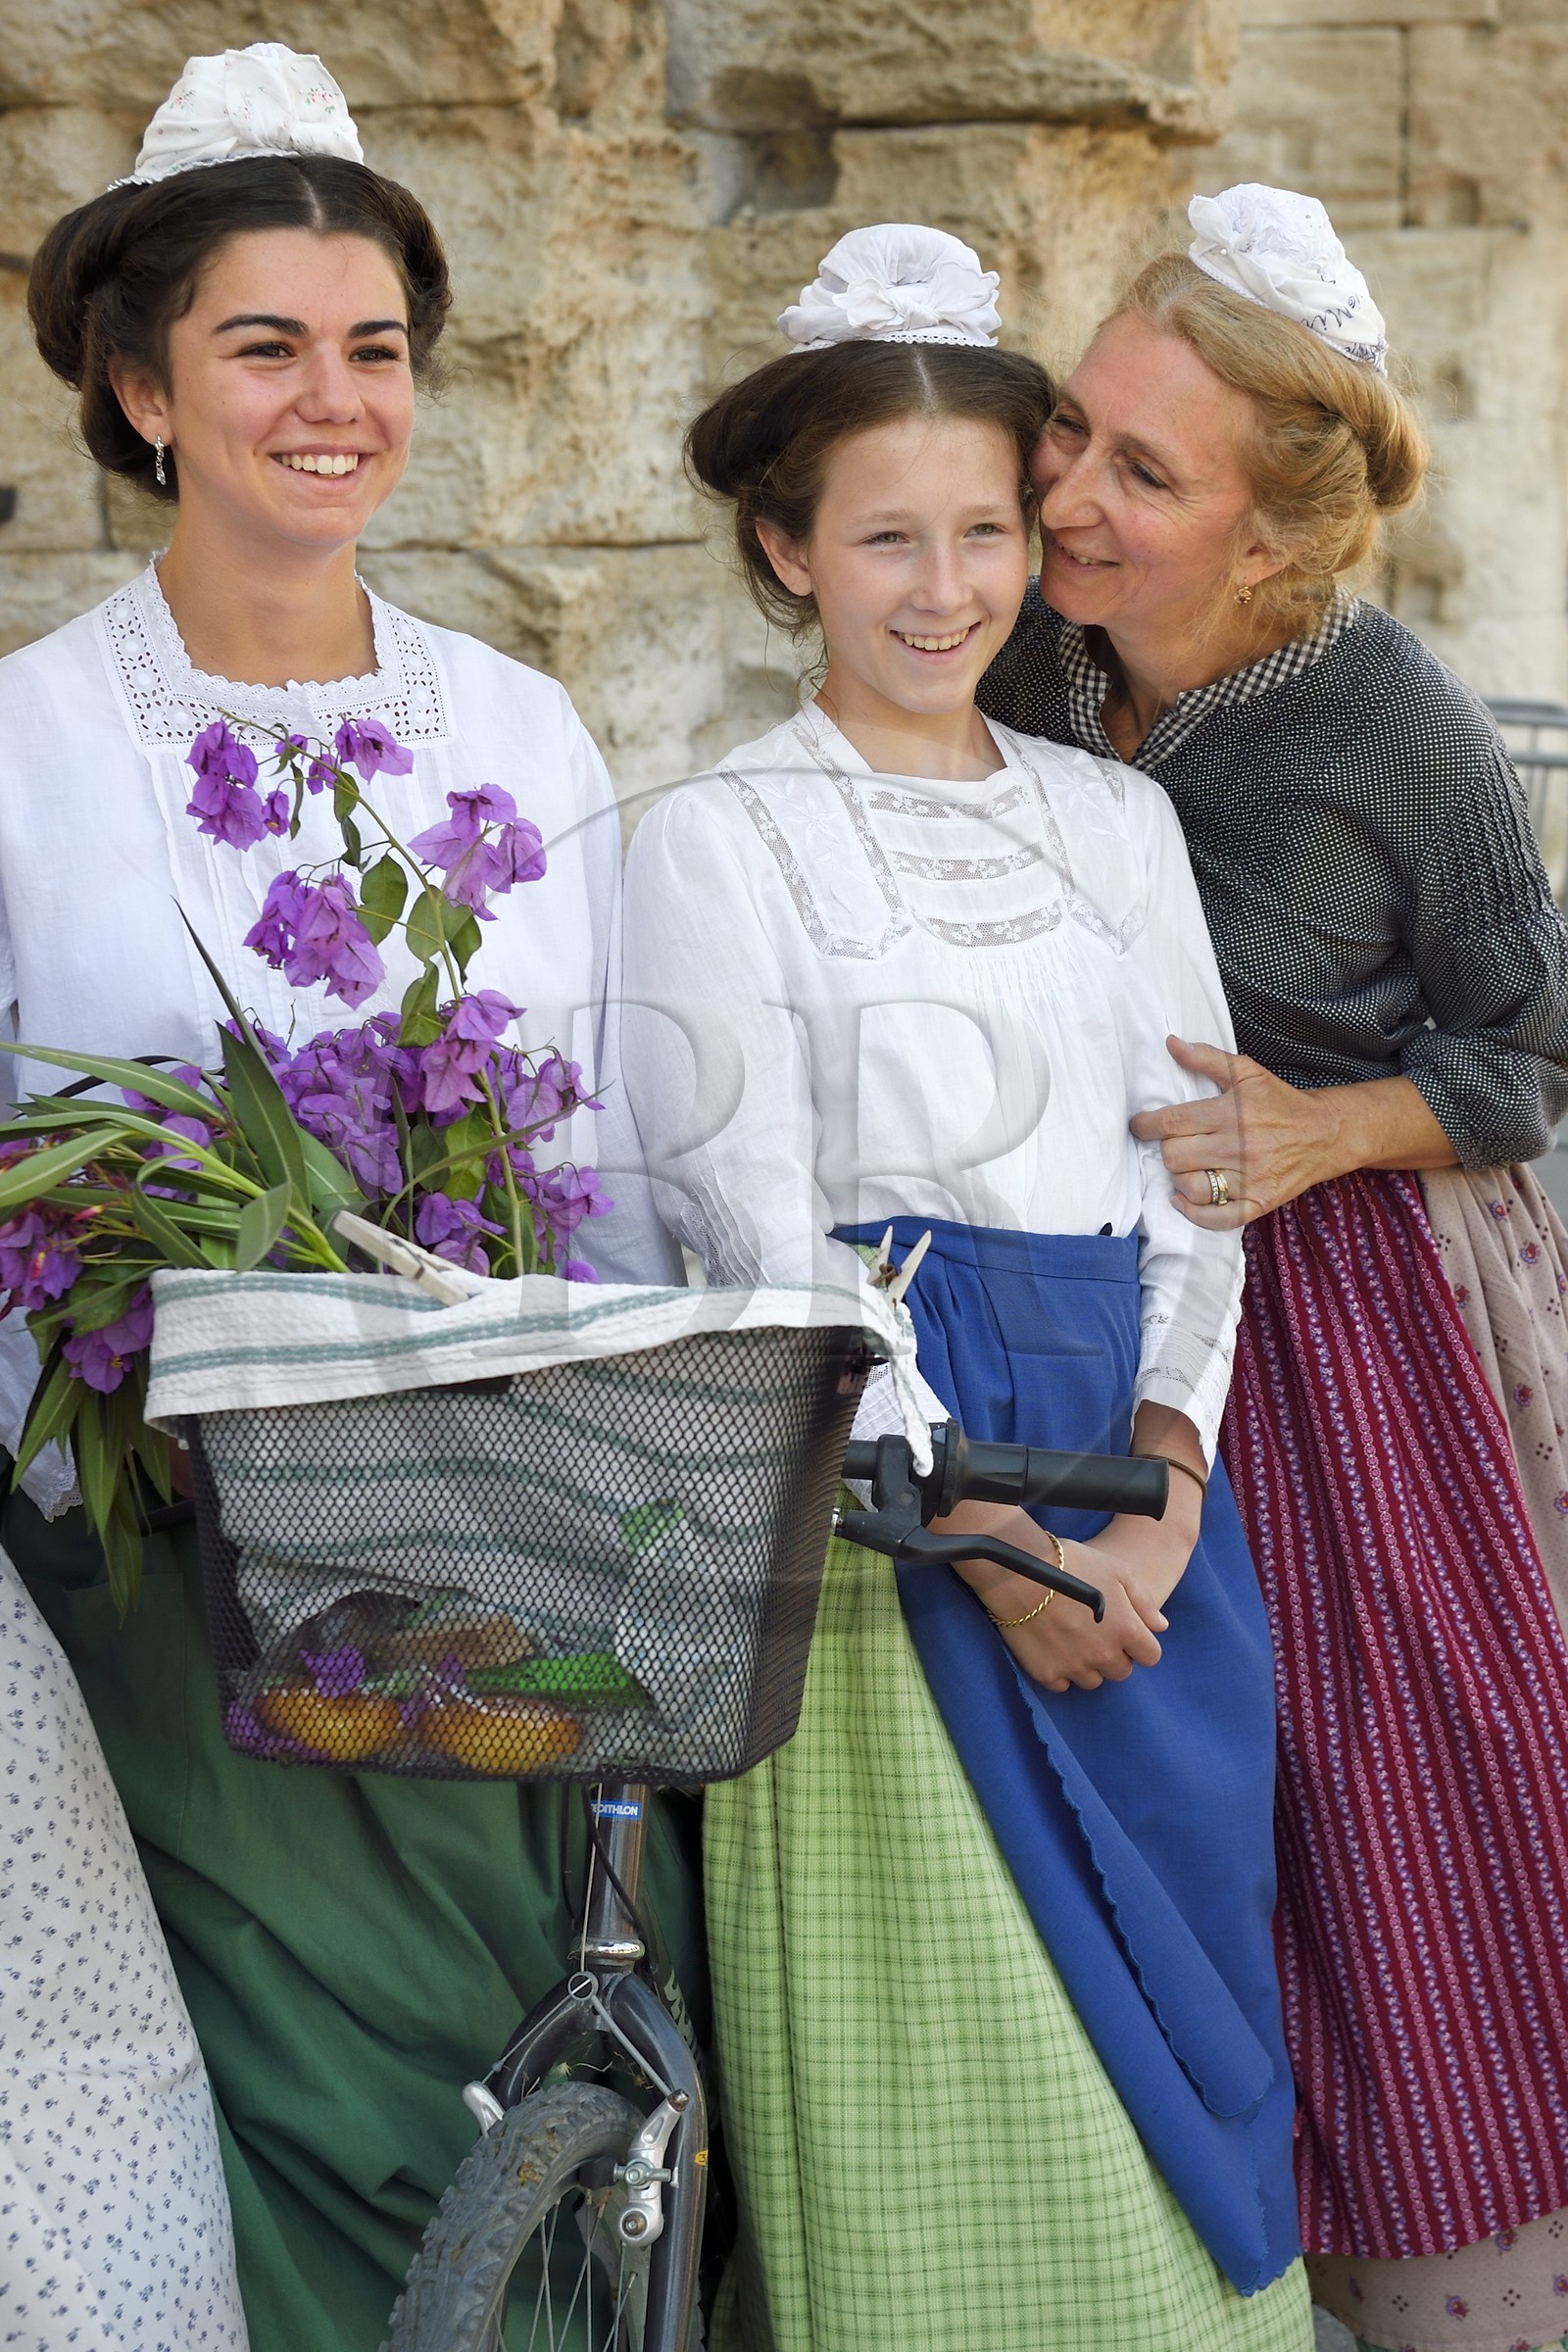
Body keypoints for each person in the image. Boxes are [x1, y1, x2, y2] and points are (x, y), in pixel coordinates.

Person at [0, 44, 699, 2352]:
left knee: (523, 2091)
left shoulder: (518, 730)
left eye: (374, 348)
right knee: (258, 2120)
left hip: (488, 1564)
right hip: (158, 1566)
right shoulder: (23, 744)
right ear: (142, 388)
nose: (333, 401)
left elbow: (601, 1150)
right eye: (263, 346)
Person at [622, 223, 1312, 2352]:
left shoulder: (1116, 824)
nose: (946, 591)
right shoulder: (716, 839)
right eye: (885, 538)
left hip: (1136, 1492)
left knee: (1180, 2082)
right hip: (882, 1505)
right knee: (959, 2078)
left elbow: (1202, 1176)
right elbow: (755, 1225)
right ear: (785, 551)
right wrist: (985, 1542)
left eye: (987, 532)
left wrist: (1166, 1480)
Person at [979, 180, 1568, 2352]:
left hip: (1357, 1319)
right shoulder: (1024, 646)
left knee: (1398, 1821)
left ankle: (1456, 2291)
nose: (1066, 493)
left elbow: (1529, 1044)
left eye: (1142, 472)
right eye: (1070, 429)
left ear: (1271, 540)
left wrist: (1325, 1126)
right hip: (1075, 1296)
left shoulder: (1394, 725)